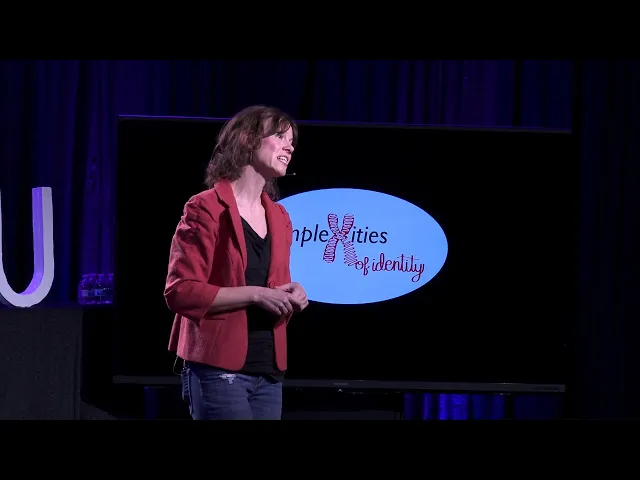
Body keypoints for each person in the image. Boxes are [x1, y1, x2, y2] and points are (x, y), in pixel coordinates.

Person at [164, 105, 309, 420]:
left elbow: (273, 287)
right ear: (247, 139)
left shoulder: (280, 216)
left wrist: (291, 294)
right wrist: (255, 294)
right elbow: (181, 292)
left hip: (268, 372)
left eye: (292, 141)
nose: (290, 147)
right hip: (218, 369)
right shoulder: (205, 208)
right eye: (279, 136)